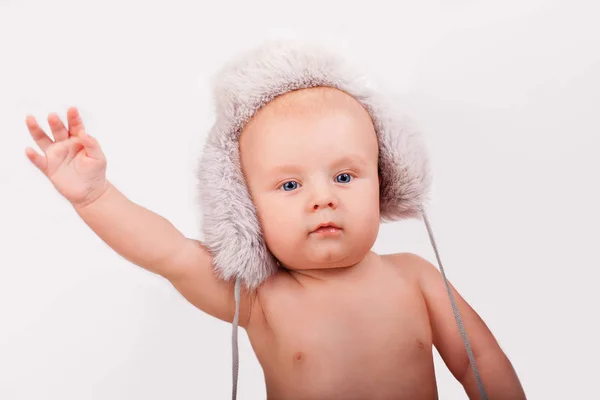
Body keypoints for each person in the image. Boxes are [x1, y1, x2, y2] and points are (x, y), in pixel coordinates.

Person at [24, 41, 526, 400]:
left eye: (346, 176)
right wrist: (95, 197)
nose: (322, 199)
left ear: (387, 179)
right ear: (245, 209)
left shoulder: (415, 277)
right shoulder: (264, 298)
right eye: (290, 185)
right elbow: (169, 252)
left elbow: (479, 361)